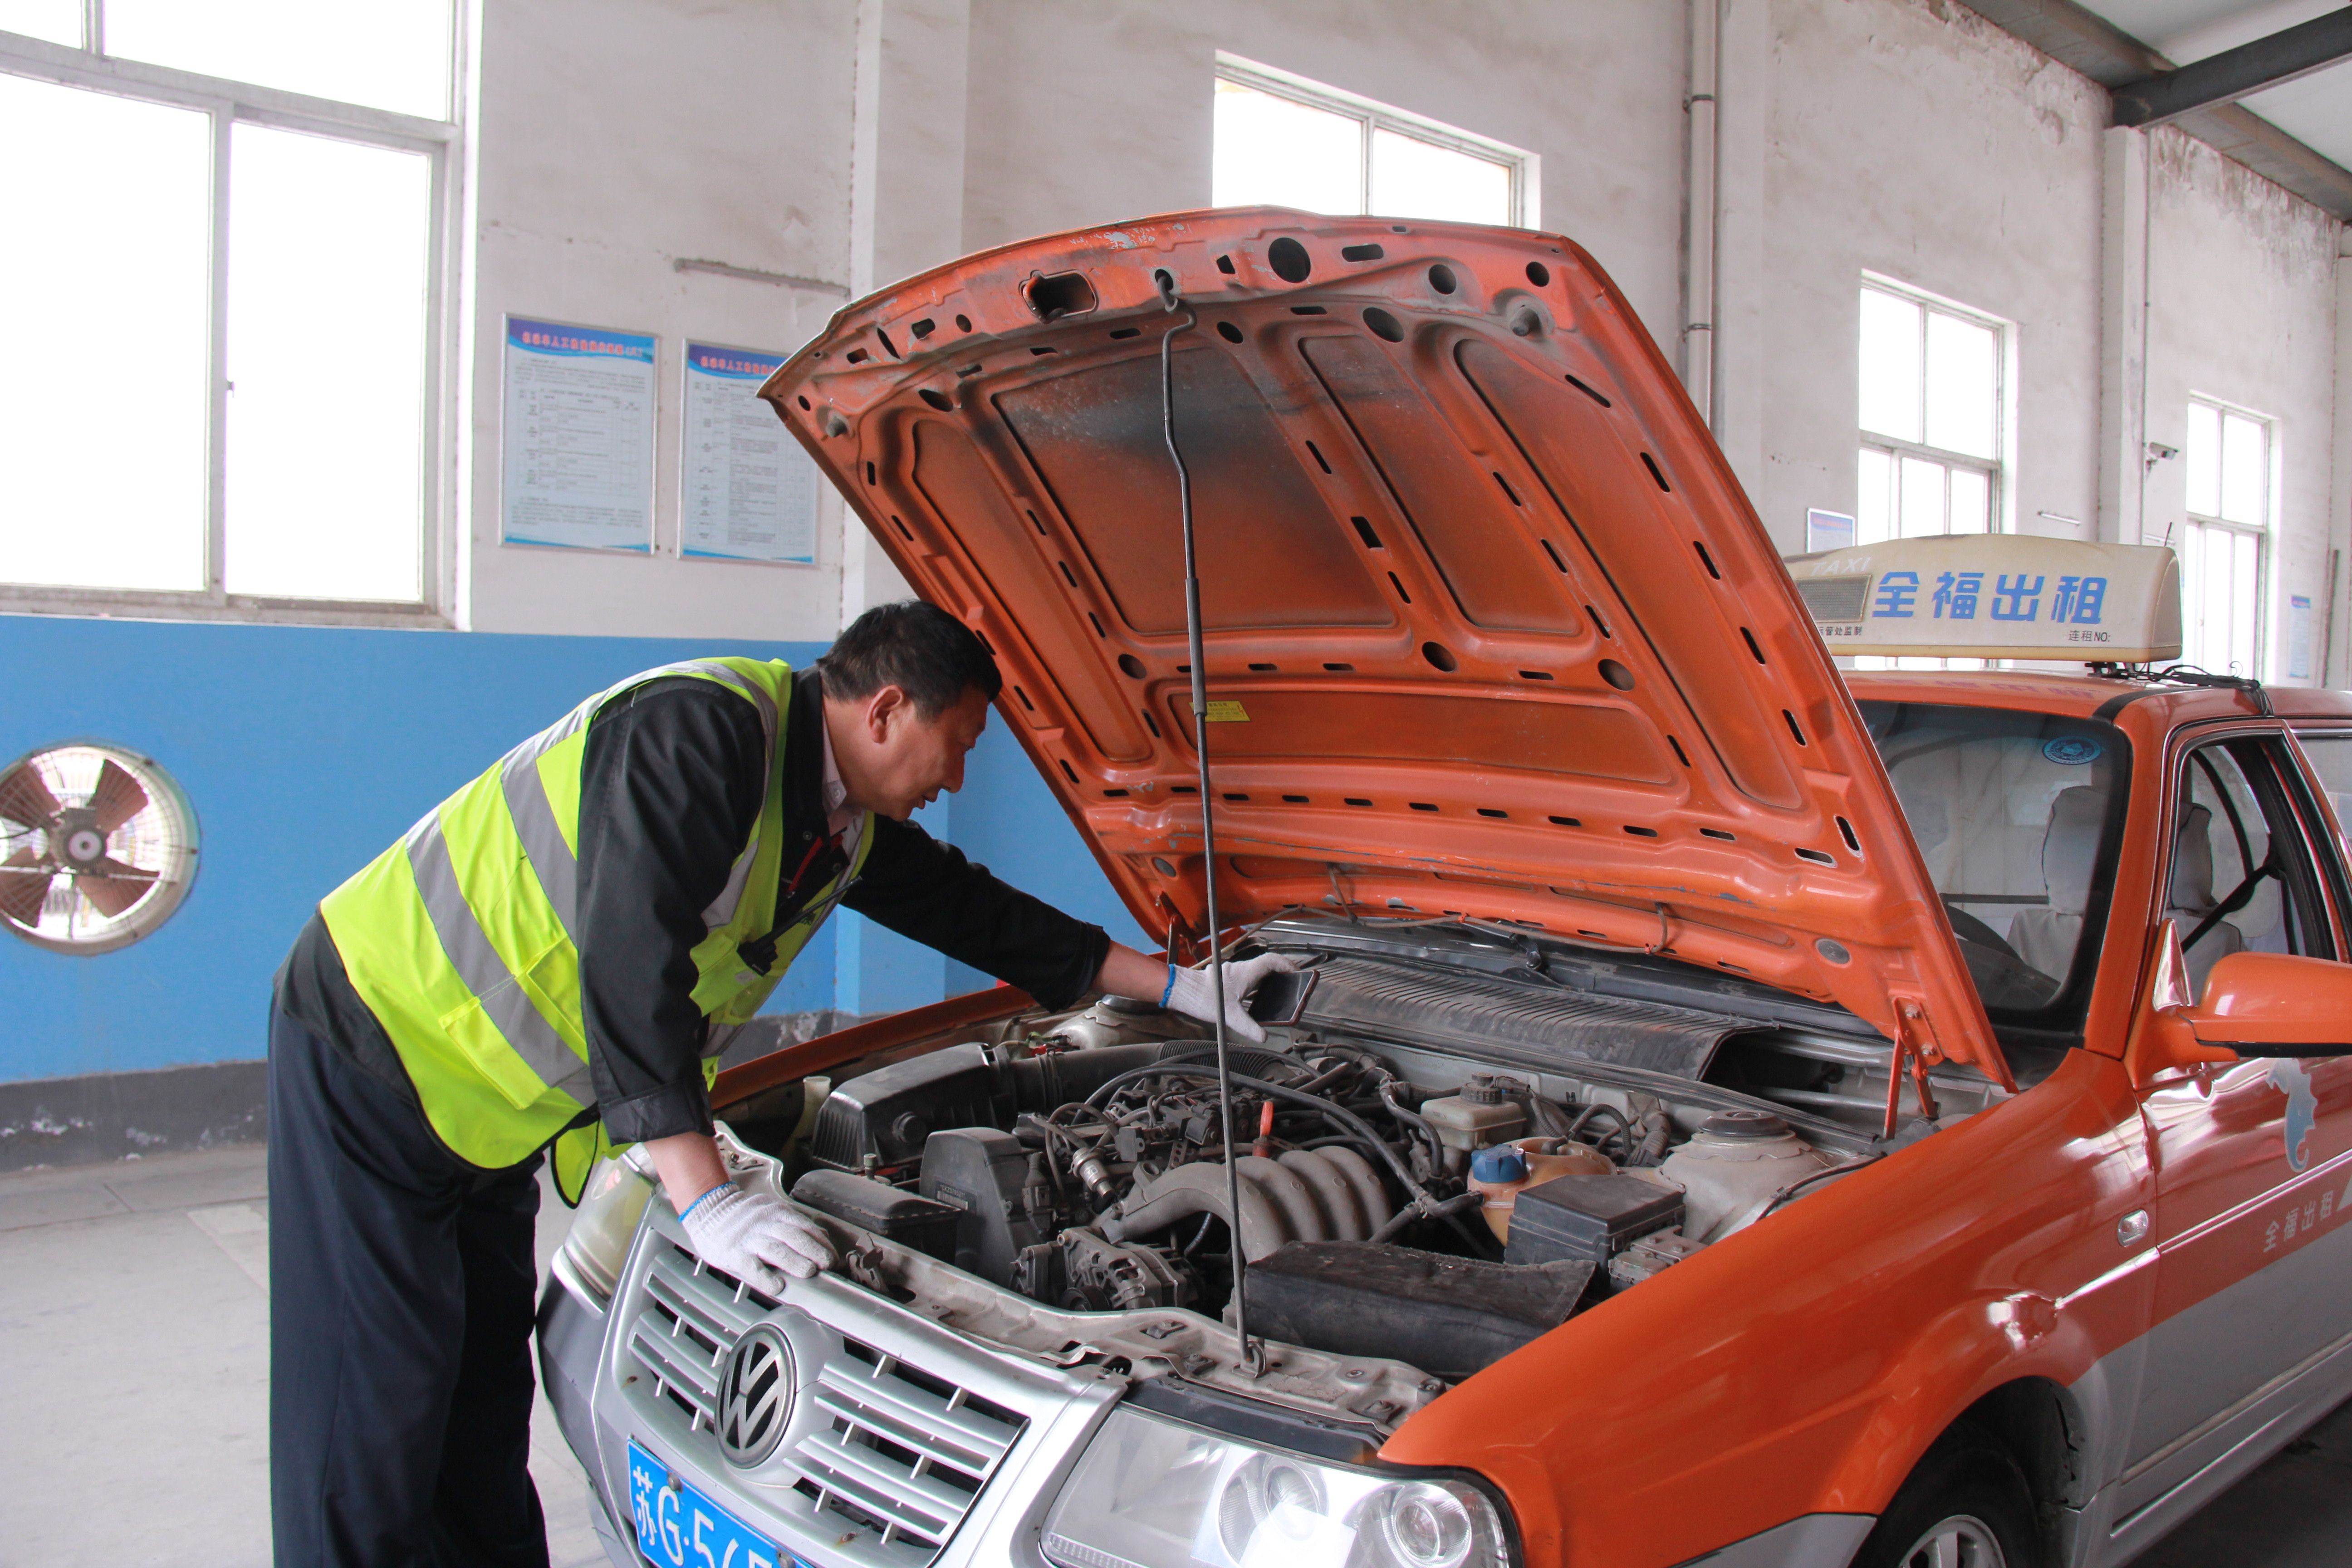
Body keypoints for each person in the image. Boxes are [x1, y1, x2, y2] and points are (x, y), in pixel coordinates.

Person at [266, 600, 1288, 1568]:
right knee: (372, 1408)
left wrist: (1178, 987)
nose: (958, 778)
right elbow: (628, 966)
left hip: (491, 1108)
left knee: (477, 1400)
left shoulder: (834, 820)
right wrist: (703, 1195)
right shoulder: (698, 734)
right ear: (886, 710)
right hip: (381, 1041)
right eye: (962, 744)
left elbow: (979, 914)